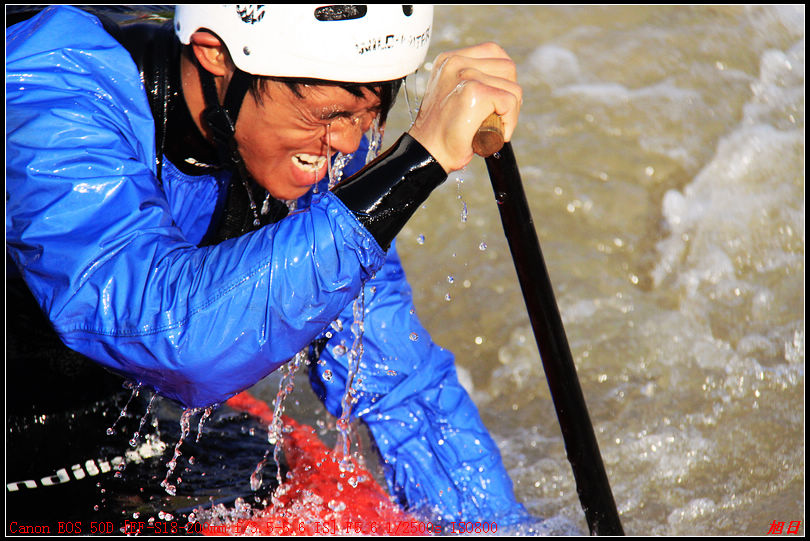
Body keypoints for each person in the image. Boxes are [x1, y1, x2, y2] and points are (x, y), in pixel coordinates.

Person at [6, 4, 530, 529]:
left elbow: (397, 383)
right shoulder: (47, 84)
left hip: (107, 430)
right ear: (215, 52)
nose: (348, 144)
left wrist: (499, 527)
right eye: (327, 115)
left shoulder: (281, 143)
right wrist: (416, 162)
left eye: (367, 114)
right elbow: (163, 332)